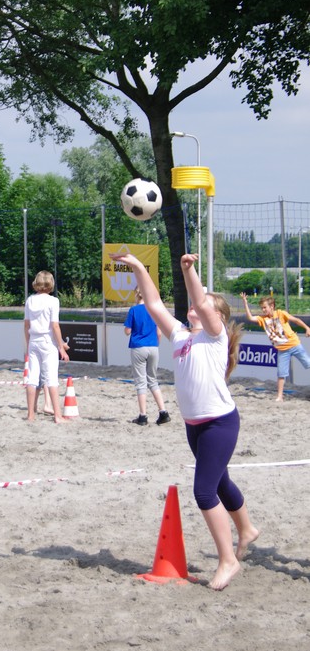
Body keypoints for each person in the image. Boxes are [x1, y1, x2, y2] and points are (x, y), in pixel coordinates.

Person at [109, 251, 259, 590]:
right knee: (220, 482)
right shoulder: (179, 334)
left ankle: (228, 560)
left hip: (220, 423)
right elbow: (153, 303)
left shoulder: (214, 336)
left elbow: (202, 303)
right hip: (194, 426)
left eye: (203, 305)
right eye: (193, 304)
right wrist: (138, 266)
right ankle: (247, 529)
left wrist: (188, 270)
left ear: (218, 317)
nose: (194, 306)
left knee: (204, 492)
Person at [240, 293, 310, 401]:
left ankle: (280, 396)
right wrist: (245, 303)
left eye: (265, 307)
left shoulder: (281, 313)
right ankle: (279, 396)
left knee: (308, 363)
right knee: (281, 373)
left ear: (272, 306)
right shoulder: (263, 319)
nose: (263, 310)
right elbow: (250, 317)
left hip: (294, 344)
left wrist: (307, 328)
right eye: (262, 308)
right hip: (282, 350)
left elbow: (295, 320)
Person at [24, 270, 70, 423]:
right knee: (51, 378)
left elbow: (26, 325)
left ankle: (30, 415)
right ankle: (57, 415)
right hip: (47, 342)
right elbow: (55, 326)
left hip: (34, 340)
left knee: (32, 378)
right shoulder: (53, 301)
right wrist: (61, 347)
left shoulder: (30, 300)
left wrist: (28, 344)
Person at [124, 286, 170, 426]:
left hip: (138, 346)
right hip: (153, 346)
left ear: (136, 295)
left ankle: (143, 415)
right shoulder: (153, 310)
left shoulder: (133, 310)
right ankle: (163, 411)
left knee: (140, 382)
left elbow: (127, 331)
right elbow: (159, 332)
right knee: (153, 380)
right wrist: (155, 344)